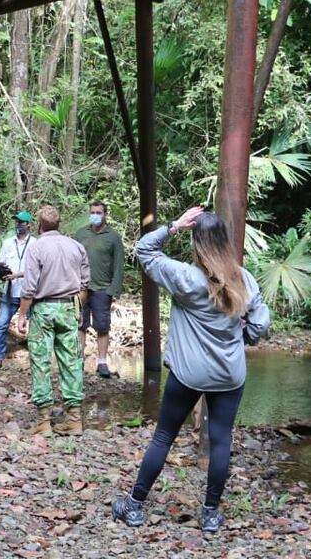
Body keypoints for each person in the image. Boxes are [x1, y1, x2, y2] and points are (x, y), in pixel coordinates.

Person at [112, 206, 270, 534]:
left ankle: (135, 505)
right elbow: (260, 319)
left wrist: (175, 226)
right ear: (225, 242)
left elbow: (144, 250)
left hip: (190, 374)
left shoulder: (186, 278)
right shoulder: (243, 278)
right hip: (229, 374)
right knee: (221, 441)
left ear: (197, 243)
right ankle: (211, 514)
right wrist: (246, 336)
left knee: (164, 436)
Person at [15, 205, 89, 436]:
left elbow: (29, 288)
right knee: (71, 361)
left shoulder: (36, 248)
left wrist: (22, 315)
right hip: (68, 306)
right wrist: (78, 308)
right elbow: (86, 284)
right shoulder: (76, 246)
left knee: (41, 361)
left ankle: (44, 421)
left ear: (39, 225)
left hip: (43, 308)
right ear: (60, 223)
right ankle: (74, 419)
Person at [73, 201, 125, 378]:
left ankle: (102, 362)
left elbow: (119, 265)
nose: (95, 215)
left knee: (102, 326)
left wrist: (114, 290)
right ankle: (78, 360)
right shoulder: (80, 234)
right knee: (80, 324)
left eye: (99, 212)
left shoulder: (113, 237)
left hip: (103, 288)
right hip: (81, 286)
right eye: (93, 212)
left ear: (105, 214)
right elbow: (72, 259)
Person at [0, 211, 34, 369]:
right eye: (16, 222)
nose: (18, 225)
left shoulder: (35, 244)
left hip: (28, 292)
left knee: (34, 326)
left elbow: (37, 269)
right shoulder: (8, 242)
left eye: (22, 222)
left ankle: (34, 358)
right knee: (1, 324)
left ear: (28, 224)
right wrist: (2, 271)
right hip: (9, 291)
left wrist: (17, 275)